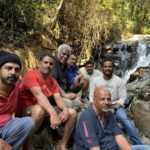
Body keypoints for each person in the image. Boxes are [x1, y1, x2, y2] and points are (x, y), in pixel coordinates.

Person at [17, 54, 77, 150]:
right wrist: (53, 113)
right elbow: (39, 95)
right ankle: (26, 144)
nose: (48, 65)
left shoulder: (52, 81)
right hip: (25, 111)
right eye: (45, 62)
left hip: (43, 111)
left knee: (72, 113)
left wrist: (65, 109)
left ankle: (62, 144)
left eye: (51, 64)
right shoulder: (31, 74)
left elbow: (58, 99)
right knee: (40, 109)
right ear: (39, 64)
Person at [74, 87, 150, 150]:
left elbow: (119, 137)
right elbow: (94, 148)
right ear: (94, 101)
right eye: (102, 99)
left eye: (109, 99)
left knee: (146, 148)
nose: (106, 102)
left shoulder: (109, 113)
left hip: (115, 148)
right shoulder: (87, 118)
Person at [89, 57, 142, 145]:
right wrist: (94, 107)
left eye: (110, 66)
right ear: (102, 68)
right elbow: (91, 96)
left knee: (124, 118)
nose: (107, 69)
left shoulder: (119, 81)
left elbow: (123, 97)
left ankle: (139, 144)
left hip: (114, 105)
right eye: (105, 66)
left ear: (113, 68)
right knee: (92, 119)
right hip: (99, 105)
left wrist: (114, 109)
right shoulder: (95, 80)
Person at [0, 50, 34, 150]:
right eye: (8, 68)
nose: (13, 72)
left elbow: (12, 112)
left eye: (17, 69)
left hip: (6, 127)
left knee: (28, 122)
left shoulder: (15, 87)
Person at [51, 44, 82, 112]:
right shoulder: (54, 62)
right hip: (56, 94)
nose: (65, 56)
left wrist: (69, 92)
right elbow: (53, 81)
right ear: (58, 52)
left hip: (65, 91)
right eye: (63, 54)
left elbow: (66, 80)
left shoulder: (65, 65)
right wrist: (64, 94)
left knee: (78, 103)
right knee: (73, 105)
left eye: (67, 55)